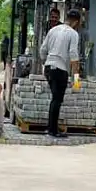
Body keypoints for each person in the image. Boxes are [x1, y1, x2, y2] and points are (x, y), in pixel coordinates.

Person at [39, 9, 81, 138]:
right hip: (60, 70)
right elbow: (74, 56)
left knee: (55, 99)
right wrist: (76, 81)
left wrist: (46, 62)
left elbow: (42, 49)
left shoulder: (53, 30)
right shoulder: (73, 34)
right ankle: (52, 130)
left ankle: (51, 128)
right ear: (76, 21)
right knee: (57, 100)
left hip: (48, 68)